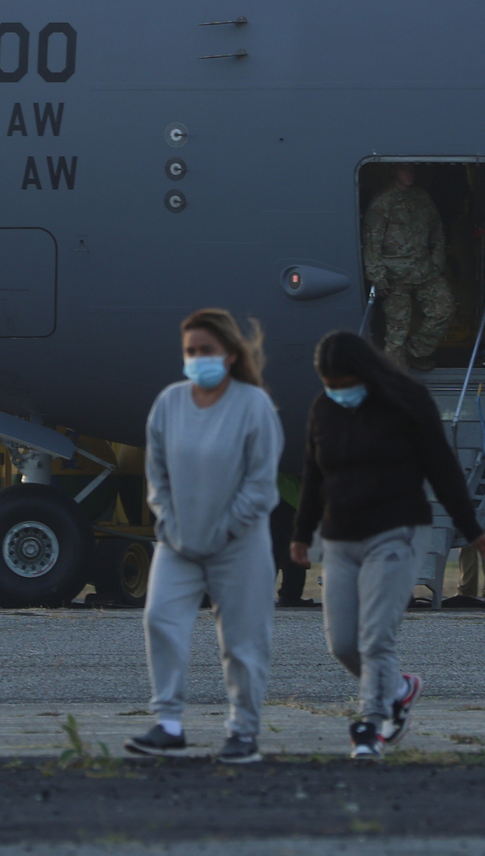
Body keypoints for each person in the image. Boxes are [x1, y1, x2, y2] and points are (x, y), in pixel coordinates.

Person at [291, 331, 485, 758]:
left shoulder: (406, 402)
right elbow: (313, 474)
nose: (336, 392)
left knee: (375, 637)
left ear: (363, 374)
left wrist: (471, 528)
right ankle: (399, 687)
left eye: (343, 383)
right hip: (340, 539)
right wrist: (300, 534)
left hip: (395, 532)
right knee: (342, 644)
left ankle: (370, 724)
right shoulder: (324, 409)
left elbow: (443, 469)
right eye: (328, 383)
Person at [125, 309, 281, 765]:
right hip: (177, 543)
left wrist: (224, 530)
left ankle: (243, 731)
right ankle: (168, 724)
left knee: (243, 641)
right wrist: (171, 526)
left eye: (206, 351)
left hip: (240, 544)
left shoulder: (253, 407)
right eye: (190, 352)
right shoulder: (169, 403)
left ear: (230, 356)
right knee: (160, 619)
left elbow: (261, 484)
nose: (197, 359)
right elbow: (157, 474)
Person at [361, 164, 454, 371]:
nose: (409, 174)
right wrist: (378, 276)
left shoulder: (422, 198)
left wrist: (437, 262)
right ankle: (397, 381)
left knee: (443, 309)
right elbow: (371, 241)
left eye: (412, 170)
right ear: (393, 172)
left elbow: (437, 232)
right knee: (396, 334)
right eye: (404, 170)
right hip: (395, 277)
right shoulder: (383, 202)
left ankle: (414, 353)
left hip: (424, 271)